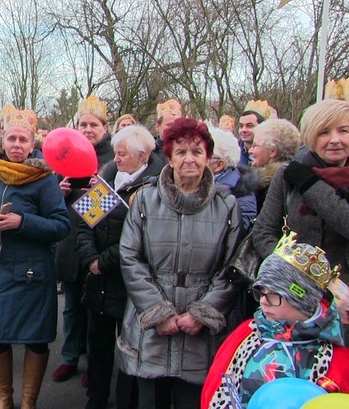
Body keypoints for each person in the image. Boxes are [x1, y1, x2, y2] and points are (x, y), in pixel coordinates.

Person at [117, 118, 241, 409]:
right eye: (181, 152)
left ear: (208, 159)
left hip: (199, 329)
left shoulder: (227, 205)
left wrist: (203, 313)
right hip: (151, 326)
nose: (189, 159)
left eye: (197, 152)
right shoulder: (146, 200)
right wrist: (158, 313)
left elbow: (232, 266)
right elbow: (130, 257)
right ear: (169, 158)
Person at [0, 108, 71, 409]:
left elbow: (61, 225)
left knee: (35, 340)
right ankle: (4, 398)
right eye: (12, 138)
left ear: (32, 143)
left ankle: (28, 402)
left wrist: (21, 222)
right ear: (3, 141)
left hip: (33, 275)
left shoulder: (44, 178)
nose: (17, 145)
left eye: (23, 139)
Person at [201, 233, 349, 408]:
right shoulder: (245, 336)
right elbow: (215, 393)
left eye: (273, 296)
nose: (263, 301)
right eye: (261, 293)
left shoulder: (336, 358)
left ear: (300, 299)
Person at [77, 126, 164, 409]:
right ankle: (96, 397)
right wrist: (90, 258)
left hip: (130, 282)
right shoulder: (110, 177)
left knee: (131, 347)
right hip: (99, 280)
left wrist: (104, 261)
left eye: (122, 153)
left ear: (143, 155)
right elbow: (84, 224)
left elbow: (141, 239)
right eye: (115, 152)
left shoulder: (155, 188)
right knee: (98, 344)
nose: (116, 158)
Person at [252, 99, 349, 341]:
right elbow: (264, 231)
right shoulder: (288, 175)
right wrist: (290, 275)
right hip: (291, 305)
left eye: (343, 131)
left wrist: (311, 186)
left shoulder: (302, 178)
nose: (334, 139)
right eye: (324, 132)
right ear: (310, 136)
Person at [52, 96, 113, 385]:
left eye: (93, 124)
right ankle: (68, 358)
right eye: (82, 124)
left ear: (105, 127)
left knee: (94, 312)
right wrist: (60, 192)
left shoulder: (113, 158)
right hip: (69, 241)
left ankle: (93, 363)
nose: (87, 129)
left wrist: (100, 191)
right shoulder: (66, 152)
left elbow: (114, 208)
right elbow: (52, 205)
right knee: (71, 307)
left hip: (97, 244)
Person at [207, 127, 259, 232]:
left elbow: (238, 233)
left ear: (219, 164)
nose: (193, 160)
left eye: (200, 154)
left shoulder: (241, 192)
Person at [248, 118, 300, 210]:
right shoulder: (295, 177)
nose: (250, 150)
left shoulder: (277, 186)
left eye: (255, 146)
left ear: (272, 151)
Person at [237, 101, 270, 166]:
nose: (244, 130)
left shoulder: (270, 154)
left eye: (249, 125)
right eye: (241, 126)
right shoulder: (232, 153)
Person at [152, 99, 182, 164]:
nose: (173, 128)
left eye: (177, 125)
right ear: (157, 126)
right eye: (169, 125)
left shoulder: (186, 150)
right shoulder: (149, 151)